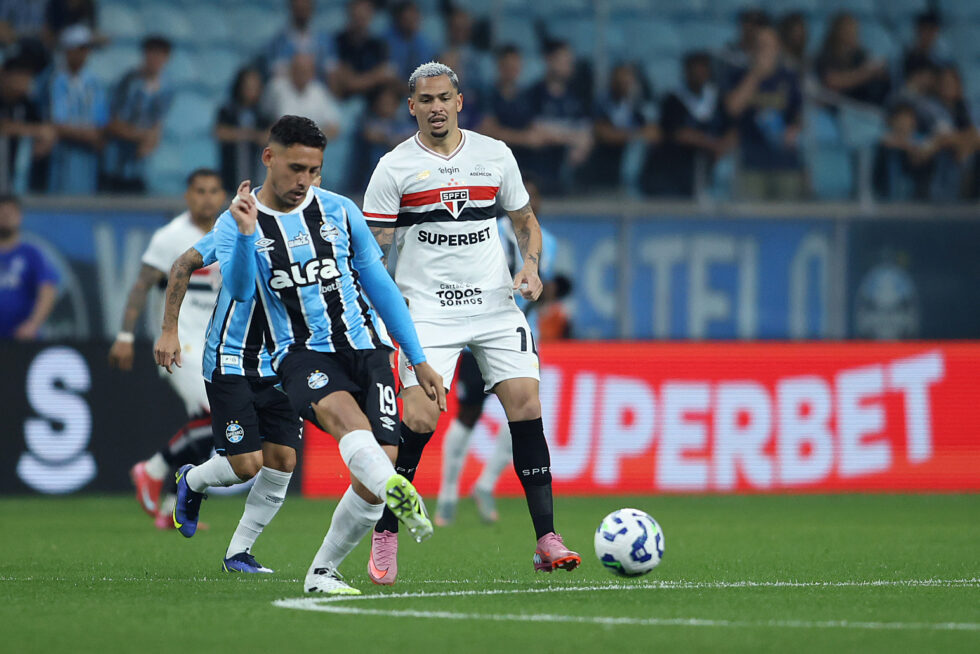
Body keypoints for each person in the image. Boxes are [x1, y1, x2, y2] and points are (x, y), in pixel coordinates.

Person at [170, 115, 445, 594]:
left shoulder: (339, 211)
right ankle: (397, 492)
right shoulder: (239, 217)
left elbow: (379, 284)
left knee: (379, 459)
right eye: (295, 167)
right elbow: (236, 288)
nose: (304, 181)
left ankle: (323, 571)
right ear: (269, 158)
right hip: (299, 353)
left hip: (367, 346)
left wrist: (417, 358)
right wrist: (246, 234)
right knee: (342, 427)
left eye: (314, 170)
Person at [363, 62, 581, 586]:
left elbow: (526, 223)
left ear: (460, 101)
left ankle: (546, 539)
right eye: (425, 100)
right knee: (418, 419)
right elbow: (374, 253)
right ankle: (387, 529)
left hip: (494, 306)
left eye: (444, 97)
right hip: (428, 313)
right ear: (410, 106)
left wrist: (529, 266)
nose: (436, 107)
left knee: (526, 404)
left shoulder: (494, 155)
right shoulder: (393, 169)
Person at [434, 178, 557, 527]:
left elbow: (543, 288)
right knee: (467, 414)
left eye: (536, 196)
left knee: (525, 416)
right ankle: (446, 495)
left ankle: (486, 484)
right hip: (480, 336)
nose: (530, 201)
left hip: (523, 339)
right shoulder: (488, 232)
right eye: (525, 195)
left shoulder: (548, 242)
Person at [109, 169, 226, 528]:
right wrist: (125, 336)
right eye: (199, 191)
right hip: (182, 343)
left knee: (210, 423)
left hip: (218, 343)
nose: (207, 198)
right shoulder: (171, 237)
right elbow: (142, 286)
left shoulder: (231, 230)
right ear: (188, 196)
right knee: (216, 414)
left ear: (222, 196)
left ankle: (173, 501)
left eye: (213, 191)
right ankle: (156, 470)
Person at [724, 26, 804, 201]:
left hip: (785, 162)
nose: (764, 51)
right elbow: (733, 108)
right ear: (752, 49)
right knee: (750, 222)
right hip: (751, 163)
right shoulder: (739, 75)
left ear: (778, 49)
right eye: (760, 46)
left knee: (788, 219)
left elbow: (798, 112)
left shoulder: (789, 77)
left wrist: (794, 129)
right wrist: (756, 75)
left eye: (769, 46)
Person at [646, 52, 734, 198]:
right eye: (695, 70)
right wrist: (711, 144)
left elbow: (732, 128)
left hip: (708, 167)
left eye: (703, 69)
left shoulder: (717, 98)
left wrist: (723, 146)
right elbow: (679, 133)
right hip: (675, 169)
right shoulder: (672, 100)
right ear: (686, 71)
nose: (699, 74)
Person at [101, 35, 174, 193]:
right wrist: (143, 136)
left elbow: (157, 123)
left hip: (140, 166)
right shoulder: (127, 82)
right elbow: (112, 123)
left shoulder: (166, 89)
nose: (155, 60)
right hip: (116, 161)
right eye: (152, 54)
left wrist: (151, 140)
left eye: (160, 55)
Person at [45, 24, 107, 194]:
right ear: (67, 50)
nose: (83, 54)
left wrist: (94, 134)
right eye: (78, 49)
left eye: (85, 49)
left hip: (87, 158)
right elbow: (57, 122)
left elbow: (101, 121)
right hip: (62, 156)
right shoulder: (54, 80)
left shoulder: (94, 82)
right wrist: (86, 134)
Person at [525, 41, 593, 193]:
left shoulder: (576, 97)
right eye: (563, 61)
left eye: (570, 61)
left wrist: (557, 134)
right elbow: (536, 132)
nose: (568, 65)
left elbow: (586, 134)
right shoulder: (533, 94)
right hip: (538, 174)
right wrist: (572, 137)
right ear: (549, 60)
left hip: (569, 176)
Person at [590, 63, 658, 191]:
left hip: (631, 163)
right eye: (620, 80)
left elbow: (654, 133)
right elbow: (603, 134)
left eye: (628, 80)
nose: (625, 83)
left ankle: (631, 185)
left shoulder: (638, 106)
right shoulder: (602, 103)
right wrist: (634, 135)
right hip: (604, 164)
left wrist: (627, 135)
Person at [0, 194, 58, 340]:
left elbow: (48, 290)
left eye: (10, 213)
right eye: (2, 212)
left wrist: (33, 324)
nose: (5, 217)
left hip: (21, 341)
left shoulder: (32, 255)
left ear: (19, 217)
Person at [0, 56, 56, 192]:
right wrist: (34, 131)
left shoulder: (27, 104)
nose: (26, 80)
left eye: (29, 75)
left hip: (15, 179)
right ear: (4, 75)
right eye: (21, 75)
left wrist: (45, 140)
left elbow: (46, 130)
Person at [215, 67, 273, 194]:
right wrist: (250, 135)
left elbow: (268, 137)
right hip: (230, 175)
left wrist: (242, 134)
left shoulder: (263, 114)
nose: (251, 91)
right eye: (248, 86)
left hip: (256, 175)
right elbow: (221, 133)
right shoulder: (228, 111)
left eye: (255, 87)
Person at [815, 12, 890, 106]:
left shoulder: (860, 55)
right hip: (835, 107)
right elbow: (832, 81)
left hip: (862, 107)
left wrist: (878, 72)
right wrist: (867, 73)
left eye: (855, 29)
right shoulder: (825, 55)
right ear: (839, 31)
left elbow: (876, 72)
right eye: (849, 29)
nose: (854, 33)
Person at [263, 52, 341, 140]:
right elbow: (263, 115)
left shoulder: (319, 92)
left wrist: (308, 138)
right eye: (298, 70)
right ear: (291, 70)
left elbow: (335, 128)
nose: (302, 75)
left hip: (309, 148)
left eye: (305, 71)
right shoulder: (276, 87)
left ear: (312, 73)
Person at [328, 0, 396, 100]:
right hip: (343, 100)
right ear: (350, 14)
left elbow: (386, 75)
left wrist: (356, 81)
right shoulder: (337, 41)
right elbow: (341, 79)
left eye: (364, 16)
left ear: (371, 16)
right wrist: (373, 77)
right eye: (357, 16)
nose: (360, 20)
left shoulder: (379, 45)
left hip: (372, 102)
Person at [266, 0, 335, 79]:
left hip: (316, 88)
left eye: (306, 4)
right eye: (298, 5)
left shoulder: (324, 40)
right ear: (291, 6)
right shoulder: (278, 42)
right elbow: (277, 73)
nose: (302, 7)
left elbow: (331, 71)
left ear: (312, 7)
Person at [385, 1, 437, 81]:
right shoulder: (387, 40)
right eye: (407, 19)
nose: (411, 22)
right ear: (399, 19)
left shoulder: (425, 44)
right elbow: (388, 72)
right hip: (392, 86)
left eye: (414, 19)